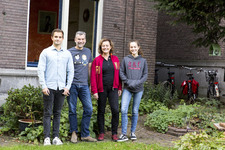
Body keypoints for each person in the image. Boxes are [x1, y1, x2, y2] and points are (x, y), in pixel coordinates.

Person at [38, 28, 74, 146]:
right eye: (56, 37)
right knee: (47, 113)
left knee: (57, 113)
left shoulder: (67, 54)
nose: (58, 39)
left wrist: (67, 87)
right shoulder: (46, 52)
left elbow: (71, 71)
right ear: (52, 38)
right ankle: (47, 138)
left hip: (62, 89)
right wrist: (43, 86)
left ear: (63, 39)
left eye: (60, 37)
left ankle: (56, 137)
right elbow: (41, 70)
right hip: (49, 88)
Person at [67, 31, 97, 143]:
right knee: (72, 109)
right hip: (72, 85)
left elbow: (89, 69)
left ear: (85, 40)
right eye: (79, 39)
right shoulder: (69, 52)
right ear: (75, 40)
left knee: (89, 109)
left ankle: (85, 134)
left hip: (84, 85)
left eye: (83, 39)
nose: (81, 41)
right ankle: (74, 133)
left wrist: (90, 84)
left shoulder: (88, 51)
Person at [91, 38, 122, 142]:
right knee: (101, 111)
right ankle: (101, 133)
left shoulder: (116, 59)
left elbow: (119, 75)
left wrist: (120, 87)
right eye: (103, 46)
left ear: (110, 47)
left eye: (107, 45)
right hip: (101, 89)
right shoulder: (97, 60)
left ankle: (114, 133)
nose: (105, 47)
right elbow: (93, 77)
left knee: (115, 110)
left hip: (113, 88)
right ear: (101, 47)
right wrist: (94, 91)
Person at [118, 40, 148, 142]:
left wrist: (137, 83)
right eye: (131, 47)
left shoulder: (143, 61)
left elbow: (145, 75)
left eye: (135, 47)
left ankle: (132, 132)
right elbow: (121, 72)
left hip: (138, 89)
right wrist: (127, 82)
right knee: (123, 110)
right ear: (129, 48)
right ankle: (123, 134)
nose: (133, 49)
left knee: (135, 110)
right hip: (127, 88)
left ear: (138, 47)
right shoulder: (126, 60)